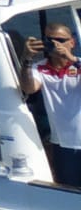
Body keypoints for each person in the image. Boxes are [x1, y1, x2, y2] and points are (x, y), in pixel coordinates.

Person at [22, 22, 81, 185]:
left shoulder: (79, 64)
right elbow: (29, 88)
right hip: (62, 144)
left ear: (72, 43)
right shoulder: (38, 68)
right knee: (69, 191)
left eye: (60, 40)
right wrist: (26, 58)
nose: (55, 44)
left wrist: (71, 58)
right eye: (49, 40)